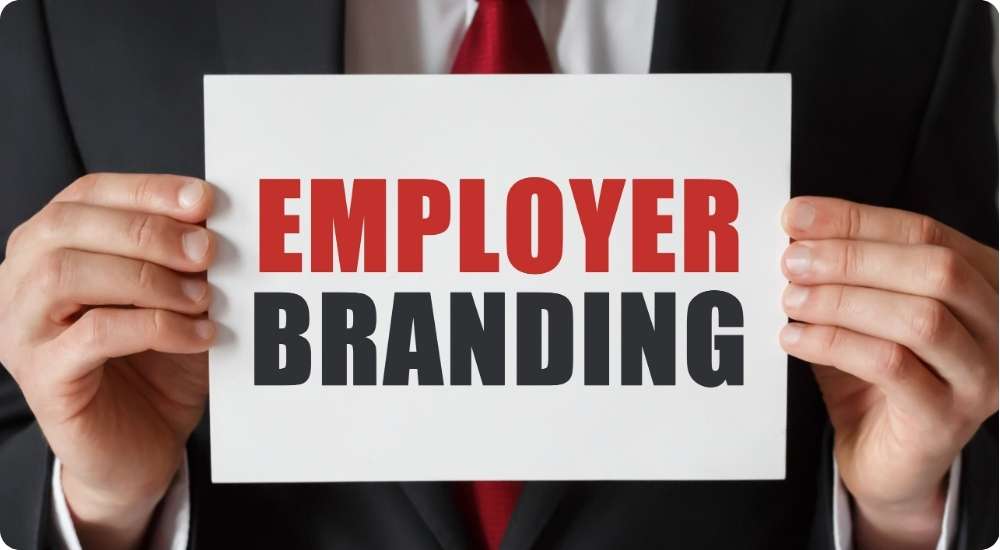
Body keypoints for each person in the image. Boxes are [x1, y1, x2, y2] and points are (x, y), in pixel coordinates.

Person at [0, 1, 996, 549]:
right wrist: (100, 506)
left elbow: (971, 401)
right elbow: (13, 424)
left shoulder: (915, 21)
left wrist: (901, 515)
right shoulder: (75, 22)